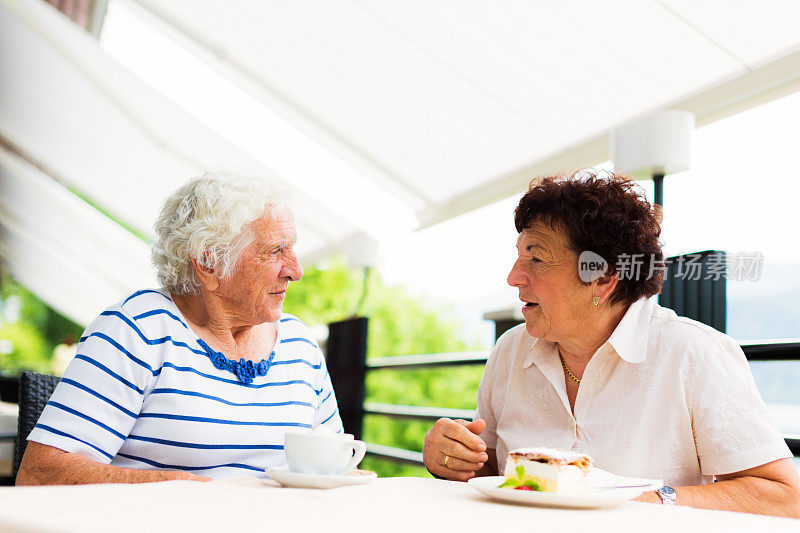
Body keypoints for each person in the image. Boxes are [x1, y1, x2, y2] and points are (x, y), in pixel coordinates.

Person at [422, 171, 800, 517]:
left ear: (602, 278)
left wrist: (639, 500)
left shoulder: (693, 353)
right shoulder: (509, 351)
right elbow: (490, 471)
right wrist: (451, 458)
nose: (513, 277)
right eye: (518, 256)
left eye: (535, 258)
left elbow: (782, 497)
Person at [17, 172, 343, 484]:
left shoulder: (301, 345)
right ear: (208, 262)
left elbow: (340, 466)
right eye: (275, 251)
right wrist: (182, 490)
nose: (296, 271)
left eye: (292, 247)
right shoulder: (137, 330)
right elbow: (40, 475)